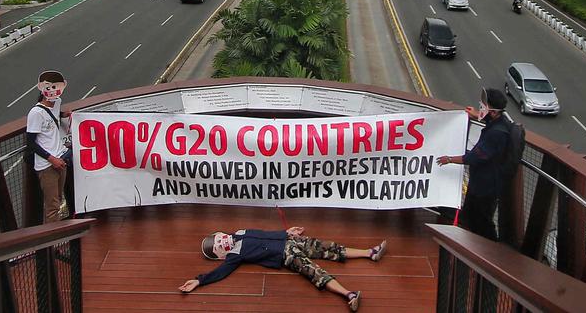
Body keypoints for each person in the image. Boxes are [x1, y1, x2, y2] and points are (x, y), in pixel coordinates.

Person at [179, 226, 386, 311]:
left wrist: (285, 232)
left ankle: (369, 253)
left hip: (288, 240)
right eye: (219, 247)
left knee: (329, 247)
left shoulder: (240, 232)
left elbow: (263, 233)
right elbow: (220, 272)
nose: (223, 242)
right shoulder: (235, 256)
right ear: (221, 254)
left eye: (219, 239)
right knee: (314, 271)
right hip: (285, 255)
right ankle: (348, 294)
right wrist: (199, 280)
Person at [437, 88, 514, 241]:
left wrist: (449, 159)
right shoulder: (500, 122)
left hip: (486, 187)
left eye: (484, 106)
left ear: (492, 111)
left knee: (483, 221)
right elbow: (490, 121)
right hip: (479, 183)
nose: (481, 107)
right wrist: (476, 115)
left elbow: (473, 157)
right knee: (469, 215)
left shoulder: (496, 134)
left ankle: (492, 250)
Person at [26, 70, 69, 222]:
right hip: (47, 165)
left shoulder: (57, 102)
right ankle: (55, 243)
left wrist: (64, 115)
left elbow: (55, 113)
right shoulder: (36, 113)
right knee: (53, 206)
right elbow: (31, 142)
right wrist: (52, 159)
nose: (53, 91)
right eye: (49, 88)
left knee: (58, 197)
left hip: (60, 159)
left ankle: (59, 239)